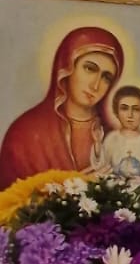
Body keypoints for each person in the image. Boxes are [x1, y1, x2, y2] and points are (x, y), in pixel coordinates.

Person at [0, 26, 124, 189]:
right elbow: (9, 198)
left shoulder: (114, 136)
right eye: (89, 68)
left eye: (106, 77)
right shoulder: (25, 133)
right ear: (66, 68)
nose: (95, 85)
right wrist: (74, 187)